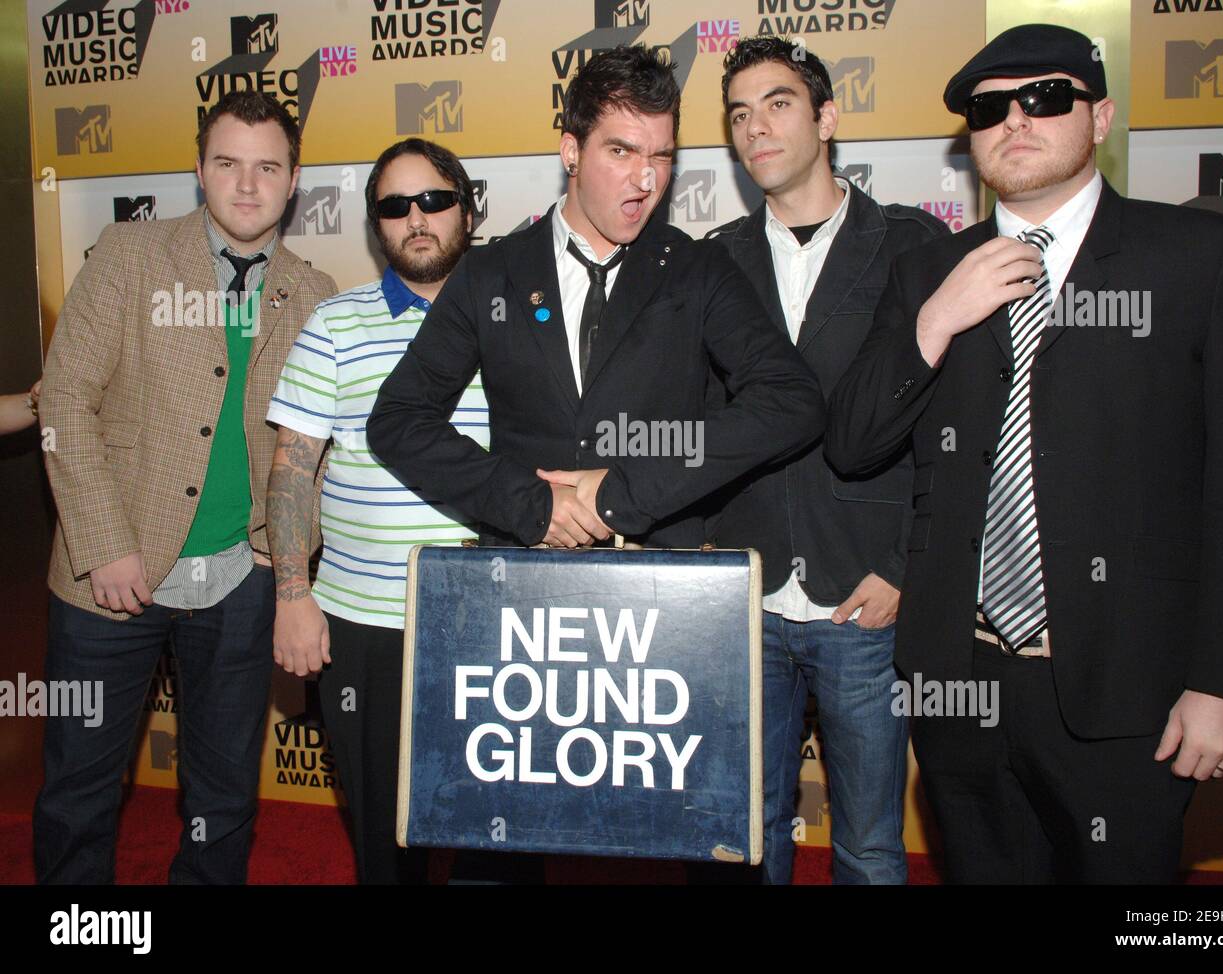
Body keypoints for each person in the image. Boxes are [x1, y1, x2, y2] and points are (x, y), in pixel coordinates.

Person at [825, 24, 1223, 883]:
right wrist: (937, 318)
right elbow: (854, 444)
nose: (1016, 119)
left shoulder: (1199, 256)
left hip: (1132, 693)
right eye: (990, 107)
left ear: (1101, 115)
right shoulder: (928, 270)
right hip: (957, 684)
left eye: (1045, 97)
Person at [35, 91, 337, 884]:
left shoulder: (314, 292)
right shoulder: (130, 256)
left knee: (225, 790)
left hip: (245, 579)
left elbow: (315, 451)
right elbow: (65, 402)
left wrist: (290, 567)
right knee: (80, 787)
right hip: (110, 577)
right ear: (199, 170)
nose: (246, 185)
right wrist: (104, 543)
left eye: (267, 167)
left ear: (293, 179)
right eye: (228, 163)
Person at [368, 45, 824, 554]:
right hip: (521, 586)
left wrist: (623, 494)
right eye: (622, 151)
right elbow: (398, 420)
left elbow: (791, 401)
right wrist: (530, 505)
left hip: (661, 589)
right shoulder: (491, 273)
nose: (646, 179)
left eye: (661, 156)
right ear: (571, 153)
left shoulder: (699, 269)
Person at [707, 36, 946, 885]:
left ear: (827, 118)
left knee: (872, 845)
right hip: (745, 598)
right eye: (739, 114)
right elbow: (699, 428)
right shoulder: (712, 258)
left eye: (776, 104)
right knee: (747, 833)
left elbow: (949, 428)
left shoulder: (913, 247)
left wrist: (904, 564)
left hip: (865, 602)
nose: (755, 128)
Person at [265, 138, 481, 884]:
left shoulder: (521, 320)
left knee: (496, 830)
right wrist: (293, 594)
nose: (416, 218)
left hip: (494, 623)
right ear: (376, 226)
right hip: (364, 626)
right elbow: (292, 469)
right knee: (383, 842)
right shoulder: (334, 323)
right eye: (394, 206)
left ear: (468, 208)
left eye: (434, 200)